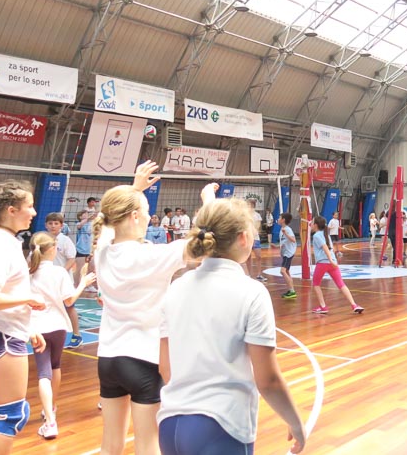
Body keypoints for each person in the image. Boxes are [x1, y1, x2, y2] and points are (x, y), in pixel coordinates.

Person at [156, 198, 306, 454]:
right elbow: (268, 380)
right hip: (221, 426)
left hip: (170, 425)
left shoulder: (176, 287)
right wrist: (295, 422)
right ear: (243, 238)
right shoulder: (252, 292)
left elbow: (165, 368)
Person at [92, 161, 216, 455]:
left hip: (108, 359)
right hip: (143, 360)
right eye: (146, 210)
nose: (150, 216)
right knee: (148, 446)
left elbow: (107, 222)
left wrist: (134, 189)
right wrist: (208, 202)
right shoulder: (151, 256)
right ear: (135, 216)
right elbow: (207, 242)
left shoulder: (102, 253)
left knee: (110, 446)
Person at [0, 181, 46, 454]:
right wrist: (27, 299)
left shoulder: (6, 241)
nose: (34, 212)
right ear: (12, 210)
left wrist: (27, 328)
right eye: (30, 206)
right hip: (0, 336)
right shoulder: (0, 245)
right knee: (12, 414)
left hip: (0, 331)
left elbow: (6, 291)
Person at [28, 231, 96, 440]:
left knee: (44, 373)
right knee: (55, 367)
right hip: (58, 327)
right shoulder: (58, 272)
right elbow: (69, 301)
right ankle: (51, 409)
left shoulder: (28, 273)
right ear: (52, 250)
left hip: (38, 328)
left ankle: (50, 421)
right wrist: (83, 283)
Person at [309, 215, 363, 315]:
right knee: (341, 284)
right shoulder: (326, 234)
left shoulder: (316, 235)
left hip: (323, 262)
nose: (310, 224)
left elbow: (325, 247)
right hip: (333, 263)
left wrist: (330, 259)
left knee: (316, 284)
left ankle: (323, 306)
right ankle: (354, 305)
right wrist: (333, 260)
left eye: (312, 222)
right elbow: (331, 248)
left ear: (315, 225)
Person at [45, 213, 80, 350]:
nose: (53, 226)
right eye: (50, 223)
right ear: (46, 225)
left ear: (61, 225)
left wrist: (62, 272)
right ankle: (48, 334)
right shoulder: (42, 239)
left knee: (69, 306)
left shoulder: (65, 240)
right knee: (47, 306)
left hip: (63, 280)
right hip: (47, 280)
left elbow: (71, 258)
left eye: (56, 223)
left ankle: (76, 335)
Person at [277, 212, 297, 299]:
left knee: (283, 271)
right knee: (287, 271)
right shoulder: (282, 229)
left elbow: (293, 240)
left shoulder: (287, 229)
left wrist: (286, 234)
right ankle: (291, 290)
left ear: (283, 220)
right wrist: (280, 249)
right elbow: (283, 242)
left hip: (288, 253)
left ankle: (292, 291)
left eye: (279, 217)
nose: (278, 219)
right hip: (285, 253)